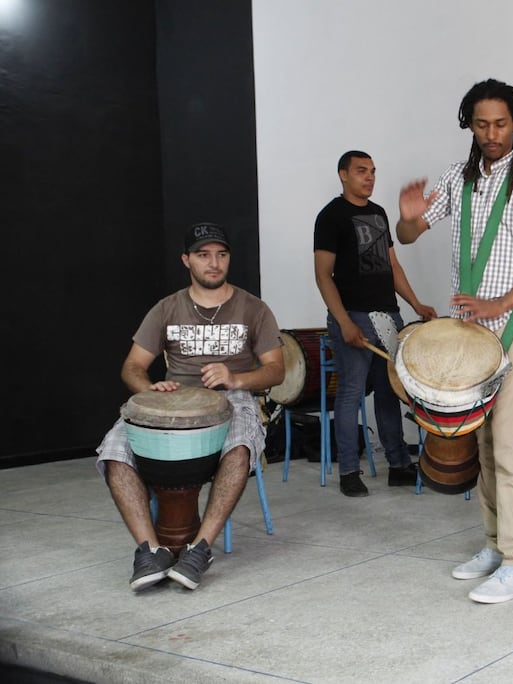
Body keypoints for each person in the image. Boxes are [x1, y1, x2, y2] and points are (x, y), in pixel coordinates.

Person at [396, 78, 513, 604]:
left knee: (510, 444)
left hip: (509, 327)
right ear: (469, 124)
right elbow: (409, 236)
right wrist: (406, 218)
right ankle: (497, 545)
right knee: (484, 443)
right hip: (468, 334)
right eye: (482, 123)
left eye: (501, 123)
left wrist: (500, 303)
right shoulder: (457, 179)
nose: (492, 133)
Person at [96, 223, 286, 591]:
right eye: (203, 255)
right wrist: (150, 388)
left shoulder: (254, 309)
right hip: (173, 399)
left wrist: (236, 378)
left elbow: (276, 370)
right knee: (114, 450)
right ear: (187, 261)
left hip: (232, 397)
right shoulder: (167, 308)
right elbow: (131, 366)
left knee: (240, 449)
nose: (213, 263)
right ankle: (149, 551)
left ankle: (200, 549)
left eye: (221, 254)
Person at [314, 150, 437, 497]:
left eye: (372, 171)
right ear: (343, 175)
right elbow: (323, 275)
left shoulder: (379, 213)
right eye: (360, 171)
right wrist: (342, 321)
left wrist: (415, 303)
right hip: (352, 315)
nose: (369, 177)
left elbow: (393, 266)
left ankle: (398, 465)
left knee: (389, 390)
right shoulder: (331, 216)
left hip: (389, 315)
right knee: (351, 390)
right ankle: (349, 471)